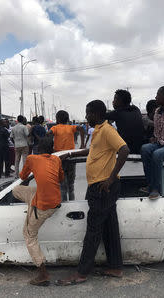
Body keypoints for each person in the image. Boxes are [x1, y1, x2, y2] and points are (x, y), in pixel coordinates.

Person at [56, 100, 130, 286]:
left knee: (93, 230)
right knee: (109, 227)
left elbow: (124, 150)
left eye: (88, 113)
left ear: (97, 113)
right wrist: (71, 154)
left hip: (103, 187)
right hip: (99, 186)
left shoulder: (107, 130)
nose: (86, 116)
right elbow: (93, 151)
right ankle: (115, 266)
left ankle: (81, 273)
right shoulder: (98, 130)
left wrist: (111, 178)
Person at [14, 137, 64, 286]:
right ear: (52, 149)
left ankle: (43, 274)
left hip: (43, 206)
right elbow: (60, 179)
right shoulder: (56, 160)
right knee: (16, 190)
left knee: (29, 235)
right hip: (55, 201)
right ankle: (32, 204)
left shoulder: (31, 158)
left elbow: (22, 176)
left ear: (37, 149)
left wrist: (35, 171)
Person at [48, 110, 85, 201]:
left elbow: (49, 134)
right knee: (71, 185)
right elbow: (81, 129)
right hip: (71, 158)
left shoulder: (55, 128)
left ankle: (64, 205)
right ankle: (72, 203)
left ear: (57, 119)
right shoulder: (71, 127)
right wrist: (82, 144)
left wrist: (50, 148)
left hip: (59, 159)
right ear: (68, 119)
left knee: (62, 186)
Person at [106, 89, 144, 154]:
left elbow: (99, 116)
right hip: (139, 148)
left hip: (125, 149)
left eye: (114, 99)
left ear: (120, 101)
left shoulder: (118, 113)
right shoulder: (136, 109)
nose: (113, 102)